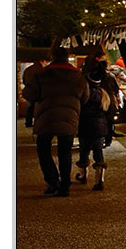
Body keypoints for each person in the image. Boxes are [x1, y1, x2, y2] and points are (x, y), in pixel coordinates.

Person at [23, 46, 88, 196]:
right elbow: (85, 97)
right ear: (67, 57)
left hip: (46, 116)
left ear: (52, 57)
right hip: (69, 117)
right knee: (65, 152)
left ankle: (53, 181)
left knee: (43, 149)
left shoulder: (42, 74)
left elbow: (30, 94)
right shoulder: (78, 76)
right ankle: (65, 185)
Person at [76, 66, 111, 191]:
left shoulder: (84, 94)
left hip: (85, 125)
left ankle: (82, 175)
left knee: (84, 151)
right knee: (98, 152)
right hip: (100, 128)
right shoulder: (104, 94)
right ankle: (99, 180)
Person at [22, 56, 48, 127]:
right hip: (41, 92)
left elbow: (24, 80)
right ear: (42, 61)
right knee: (40, 108)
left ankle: (28, 122)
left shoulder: (27, 70)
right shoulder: (43, 70)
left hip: (30, 91)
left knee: (30, 107)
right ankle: (39, 122)